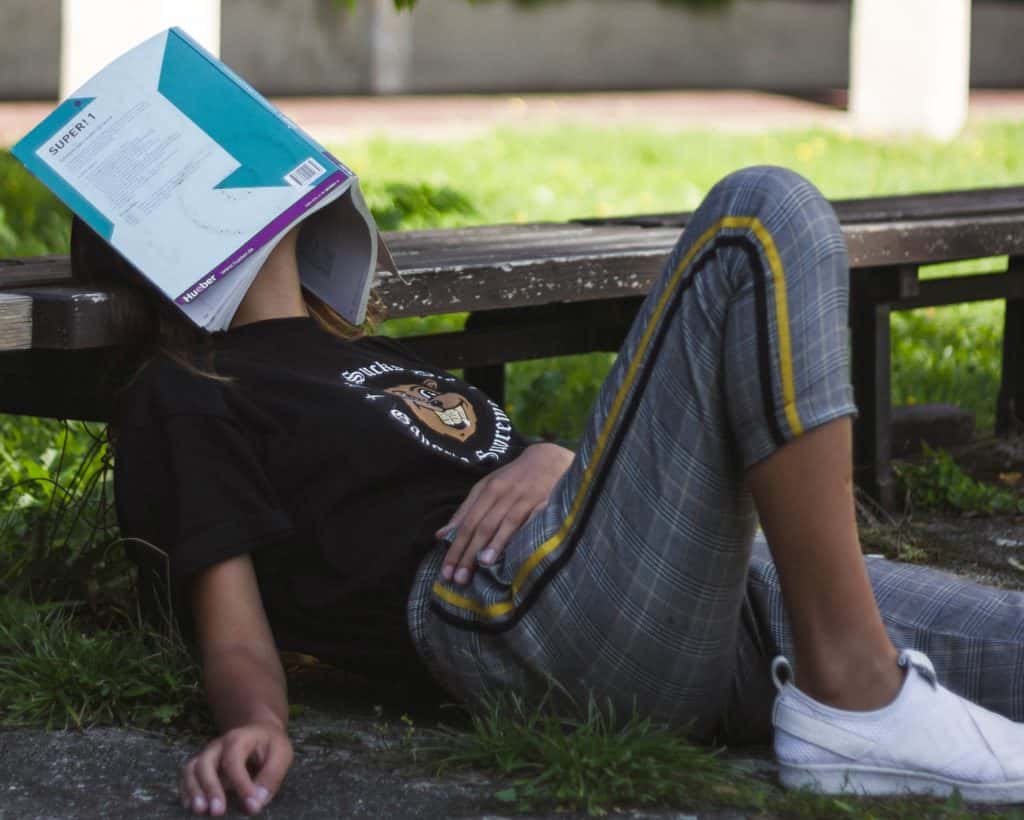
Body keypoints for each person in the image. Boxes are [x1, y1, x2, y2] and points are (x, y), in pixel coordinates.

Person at [92, 166, 1024, 817]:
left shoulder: (365, 355)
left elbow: (487, 466)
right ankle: (854, 695)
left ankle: (845, 683)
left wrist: (553, 457)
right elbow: (239, 629)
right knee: (761, 214)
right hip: (525, 622)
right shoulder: (190, 391)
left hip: (685, 591)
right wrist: (257, 727)